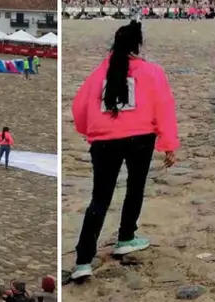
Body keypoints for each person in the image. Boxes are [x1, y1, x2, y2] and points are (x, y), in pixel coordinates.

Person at [69, 20, 179, 281]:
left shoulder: (99, 74)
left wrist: (90, 133)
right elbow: (163, 107)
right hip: (140, 138)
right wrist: (169, 144)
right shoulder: (151, 72)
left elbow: (79, 106)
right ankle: (126, 236)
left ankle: (84, 260)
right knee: (135, 187)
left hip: (104, 142)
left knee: (99, 198)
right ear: (137, 45)